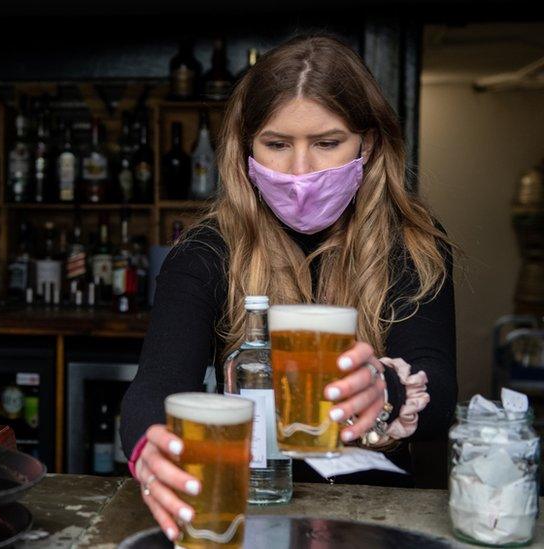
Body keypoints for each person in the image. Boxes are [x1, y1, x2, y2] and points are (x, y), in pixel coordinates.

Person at [119, 35, 456, 540]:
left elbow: (440, 391)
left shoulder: (414, 244)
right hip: (247, 508)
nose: (301, 172)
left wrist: (383, 391)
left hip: (374, 518)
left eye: (326, 143)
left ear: (368, 142)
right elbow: (155, 388)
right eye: (276, 145)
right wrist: (150, 451)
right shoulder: (208, 251)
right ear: (245, 145)